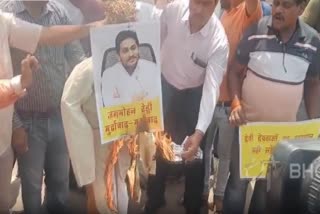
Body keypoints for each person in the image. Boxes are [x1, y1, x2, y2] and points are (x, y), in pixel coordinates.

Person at [61, 1, 161, 213]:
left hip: (125, 135)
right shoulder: (90, 68)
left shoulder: (144, 68)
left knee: (120, 183)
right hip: (99, 137)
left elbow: (148, 101)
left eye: (133, 46)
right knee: (103, 192)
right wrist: (85, 134)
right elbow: (68, 102)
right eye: (124, 49)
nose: (131, 52)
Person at [224, 0, 320, 212]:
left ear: (302, 9)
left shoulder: (313, 42)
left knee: (265, 189)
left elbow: (313, 83)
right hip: (249, 131)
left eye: (285, 5)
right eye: (276, 3)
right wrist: (236, 103)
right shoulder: (255, 31)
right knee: (237, 187)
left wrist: (315, 125)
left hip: (282, 139)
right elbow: (233, 71)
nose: (277, 10)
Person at [0, 1, 87, 213]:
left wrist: (92, 76)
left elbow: (76, 55)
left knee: (60, 183)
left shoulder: (59, 12)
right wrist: (16, 125)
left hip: (59, 114)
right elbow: (4, 78)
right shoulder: (9, 16)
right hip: (26, 119)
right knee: (32, 188)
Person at [145, 0, 229, 213]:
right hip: (165, 85)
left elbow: (211, 90)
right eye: (195, 1)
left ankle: (192, 204)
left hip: (194, 93)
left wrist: (199, 132)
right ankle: (154, 198)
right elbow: (153, 39)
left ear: (216, 4)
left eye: (205, 4)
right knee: (157, 144)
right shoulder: (174, 11)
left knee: (194, 153)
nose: (197, 9)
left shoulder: (218, 42)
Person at [203, 0, 262, 211]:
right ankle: (202, 192)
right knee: (205, 149)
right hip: (209, 98)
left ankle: (218, 196)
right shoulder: (225, 13)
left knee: (225, 154)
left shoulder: (248, 11)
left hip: (230, 105)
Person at [101, 30, 159, 106]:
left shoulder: (152, 68)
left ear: (138, 49)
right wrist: (132, 102)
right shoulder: (108, 75)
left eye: (133, 48)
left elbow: (157, 100)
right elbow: (110, 106)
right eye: (125, 51)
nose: (131, 54)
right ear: (118, 56)